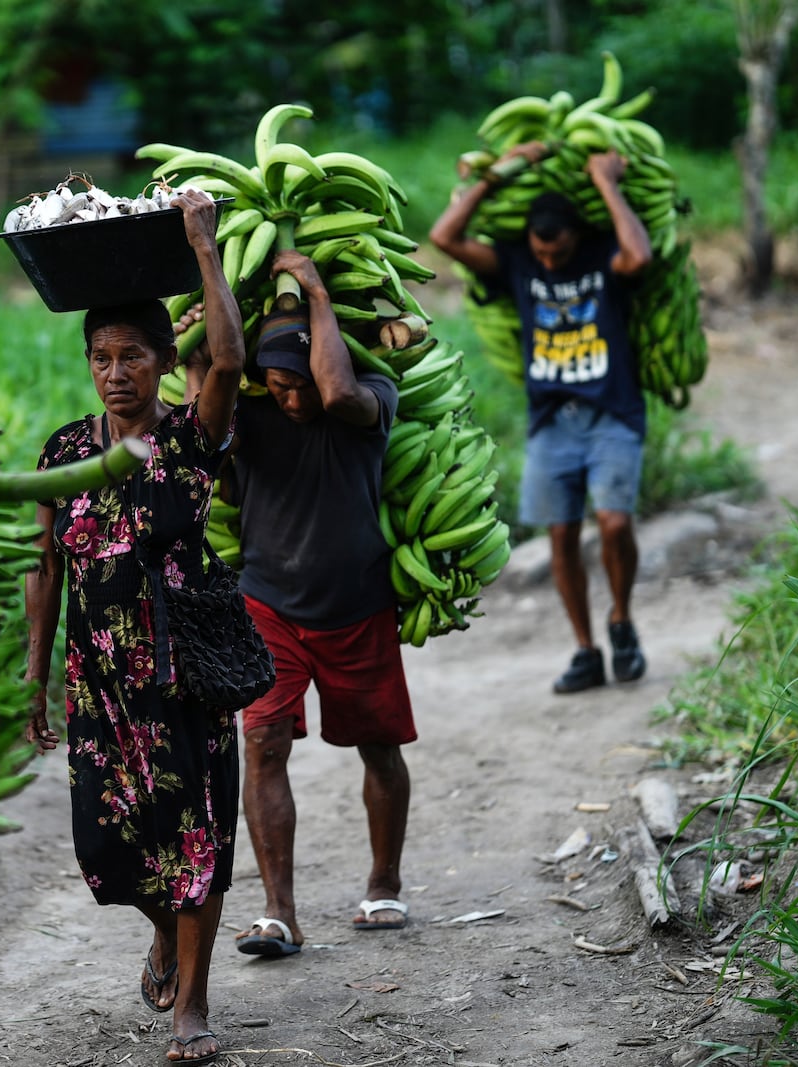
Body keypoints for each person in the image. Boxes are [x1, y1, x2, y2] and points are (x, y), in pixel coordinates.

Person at [24, 187, 246, 1066]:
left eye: (133, 357)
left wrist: (204, 250)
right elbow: (45, 566)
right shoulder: (62, 450)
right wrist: (35, 674)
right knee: (109, 845)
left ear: (162, 361)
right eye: (101, 357)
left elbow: (227, 364)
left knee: (196, 835)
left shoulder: (192, 439)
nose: (116, 372)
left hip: (183, 668)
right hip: (97, 677)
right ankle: (164, 932)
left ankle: (194, 1002)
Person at [184, 251, 416, 955]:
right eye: (277, 385)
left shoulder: (368, 397)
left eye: (299, 383)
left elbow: (336, 390)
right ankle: (278, 911)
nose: (292, 398)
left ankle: (384, 882)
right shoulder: (250, 416)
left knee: (378, 746)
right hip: (270, 606)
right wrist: (197, 346)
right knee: (263, 745)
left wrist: (315, 292)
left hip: (357, 604)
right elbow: (202, 426)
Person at [428, 143, 653, 694]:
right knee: (560, 537)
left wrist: (607, 182)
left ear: (576, 235)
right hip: (551, 420)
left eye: (559, 253)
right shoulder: (519, 262)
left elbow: (640, 257)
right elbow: (444, 238)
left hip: (612, 414)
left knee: (615, 522)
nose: (549, 263)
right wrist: (495, 177)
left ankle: (621, 619)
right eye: (541, 254)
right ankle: (585, 649)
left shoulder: (604, 254)